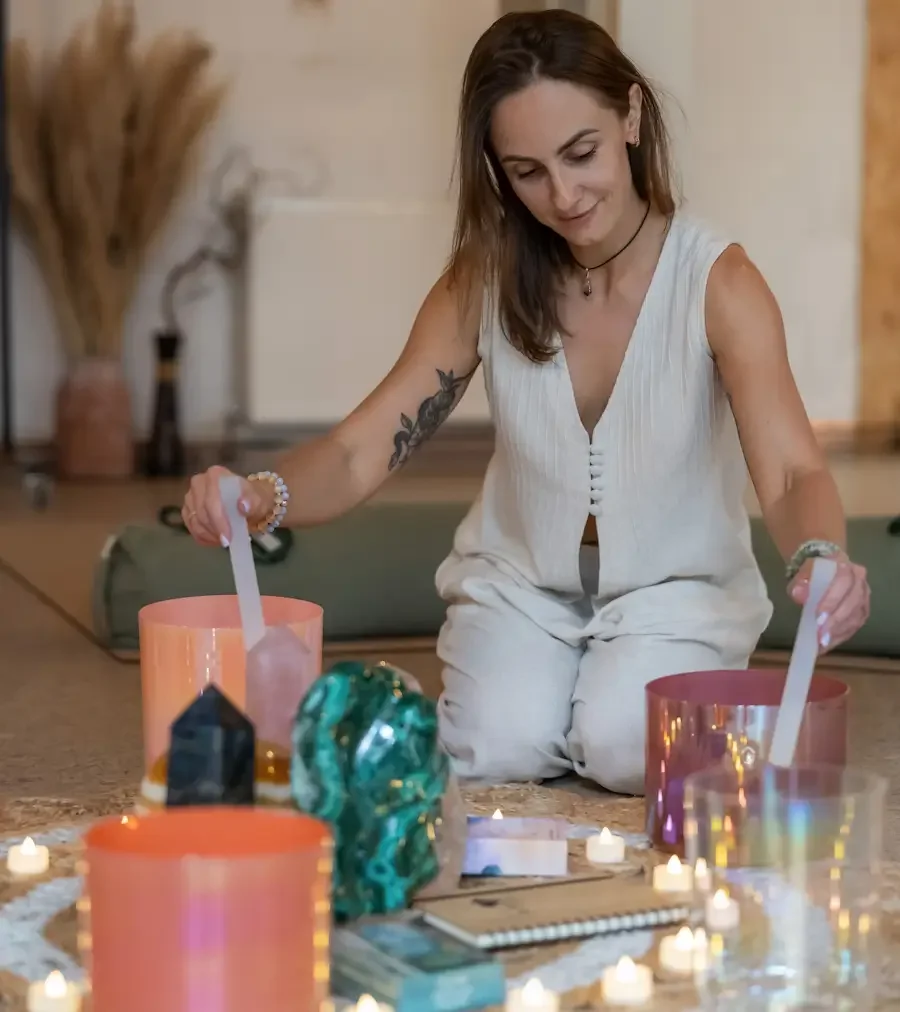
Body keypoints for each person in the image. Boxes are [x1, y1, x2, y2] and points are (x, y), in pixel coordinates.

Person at [182, 10, 870, 794]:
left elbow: (788, 473)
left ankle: (605, 704)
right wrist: (260, 495)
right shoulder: (486, 277)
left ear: (632, 116)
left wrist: (821, 554)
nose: (565, 194)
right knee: (492, 753)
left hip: (676, 593)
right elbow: (361, 445)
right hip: (520, 586)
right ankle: (537, 697)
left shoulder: (720, 283)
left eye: (583, 153)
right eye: (527, 170)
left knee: (623, 748)